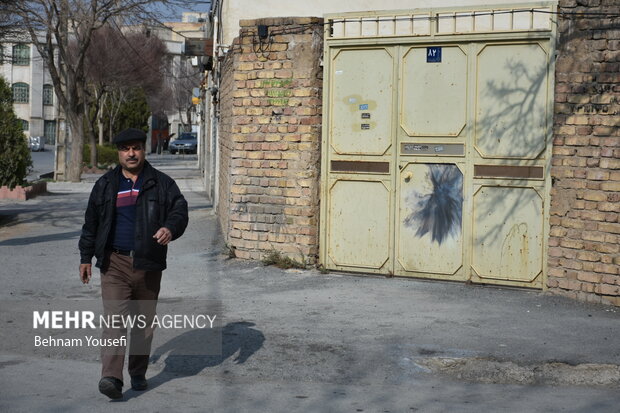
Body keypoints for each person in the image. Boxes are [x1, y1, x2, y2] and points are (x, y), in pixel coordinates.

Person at [78, 128, 188, 399]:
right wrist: (85, 257)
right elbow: (91, 222)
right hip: (113, 262)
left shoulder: (161, 183)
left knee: (142, 322)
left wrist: (170, 228)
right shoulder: (105, 184)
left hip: (148, 262)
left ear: (143, 150)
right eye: (126, 148)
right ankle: (111, 378)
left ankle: (137, 371)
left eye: (136, 148)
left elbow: (180, 210)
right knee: (114, 321)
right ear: (118, 153)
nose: (131, 153)